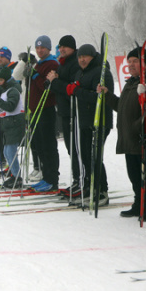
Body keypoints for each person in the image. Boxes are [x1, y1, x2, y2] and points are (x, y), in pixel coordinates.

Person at [102, 46, 146, 220]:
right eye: (130, 62)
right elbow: (122, 107)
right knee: (134, 174)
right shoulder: (130, 82)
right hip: (129, 138)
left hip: (143, 135)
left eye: (136, 61)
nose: (132, 64)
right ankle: (138, 203)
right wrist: (107, 95)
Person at [64, 44, 114, 206]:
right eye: (79, 57)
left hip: (99, 121)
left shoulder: (101, 72)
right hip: (85, 121)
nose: (82, 60)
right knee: (86, 156)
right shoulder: (81, 72)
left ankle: (102, 191)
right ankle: (91, 188)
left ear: (93, 57)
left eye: (85, 57)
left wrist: (77, 91)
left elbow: (99, 97)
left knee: (95, 156)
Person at [47, 35, 80, 195]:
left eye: (65, 47)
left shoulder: (75, 63)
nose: (62, 50)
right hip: (65, 111)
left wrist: (55, 82)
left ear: (72, 47)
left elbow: (70, 89)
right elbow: (60, 86)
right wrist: (54, 81)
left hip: (74, 112)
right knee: (70, 148)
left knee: (76, 149)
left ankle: (81, 180)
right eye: (60, 47)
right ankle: (77, 180)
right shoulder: (64, 63)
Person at [28, 35, 59, 192]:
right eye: (38, 47)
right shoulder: (38, 64)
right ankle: (46, 177)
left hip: (45, 109)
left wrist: (35, 76)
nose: (40, 50)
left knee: (48, 146)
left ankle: (52, 179)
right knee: (39, 146)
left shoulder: (51, 64)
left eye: (43, 48)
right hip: (35, 110)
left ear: (49, 48)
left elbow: (47, 87)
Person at [0, 66, 24, 188]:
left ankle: (17, 177)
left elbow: (11, 106)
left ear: (6, 80)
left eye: (1, 80)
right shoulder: (5, 91)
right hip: (8, 125)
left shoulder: (13, 90)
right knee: (6, 151)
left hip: (14, 124)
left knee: (11, 151)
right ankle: (13, 174)